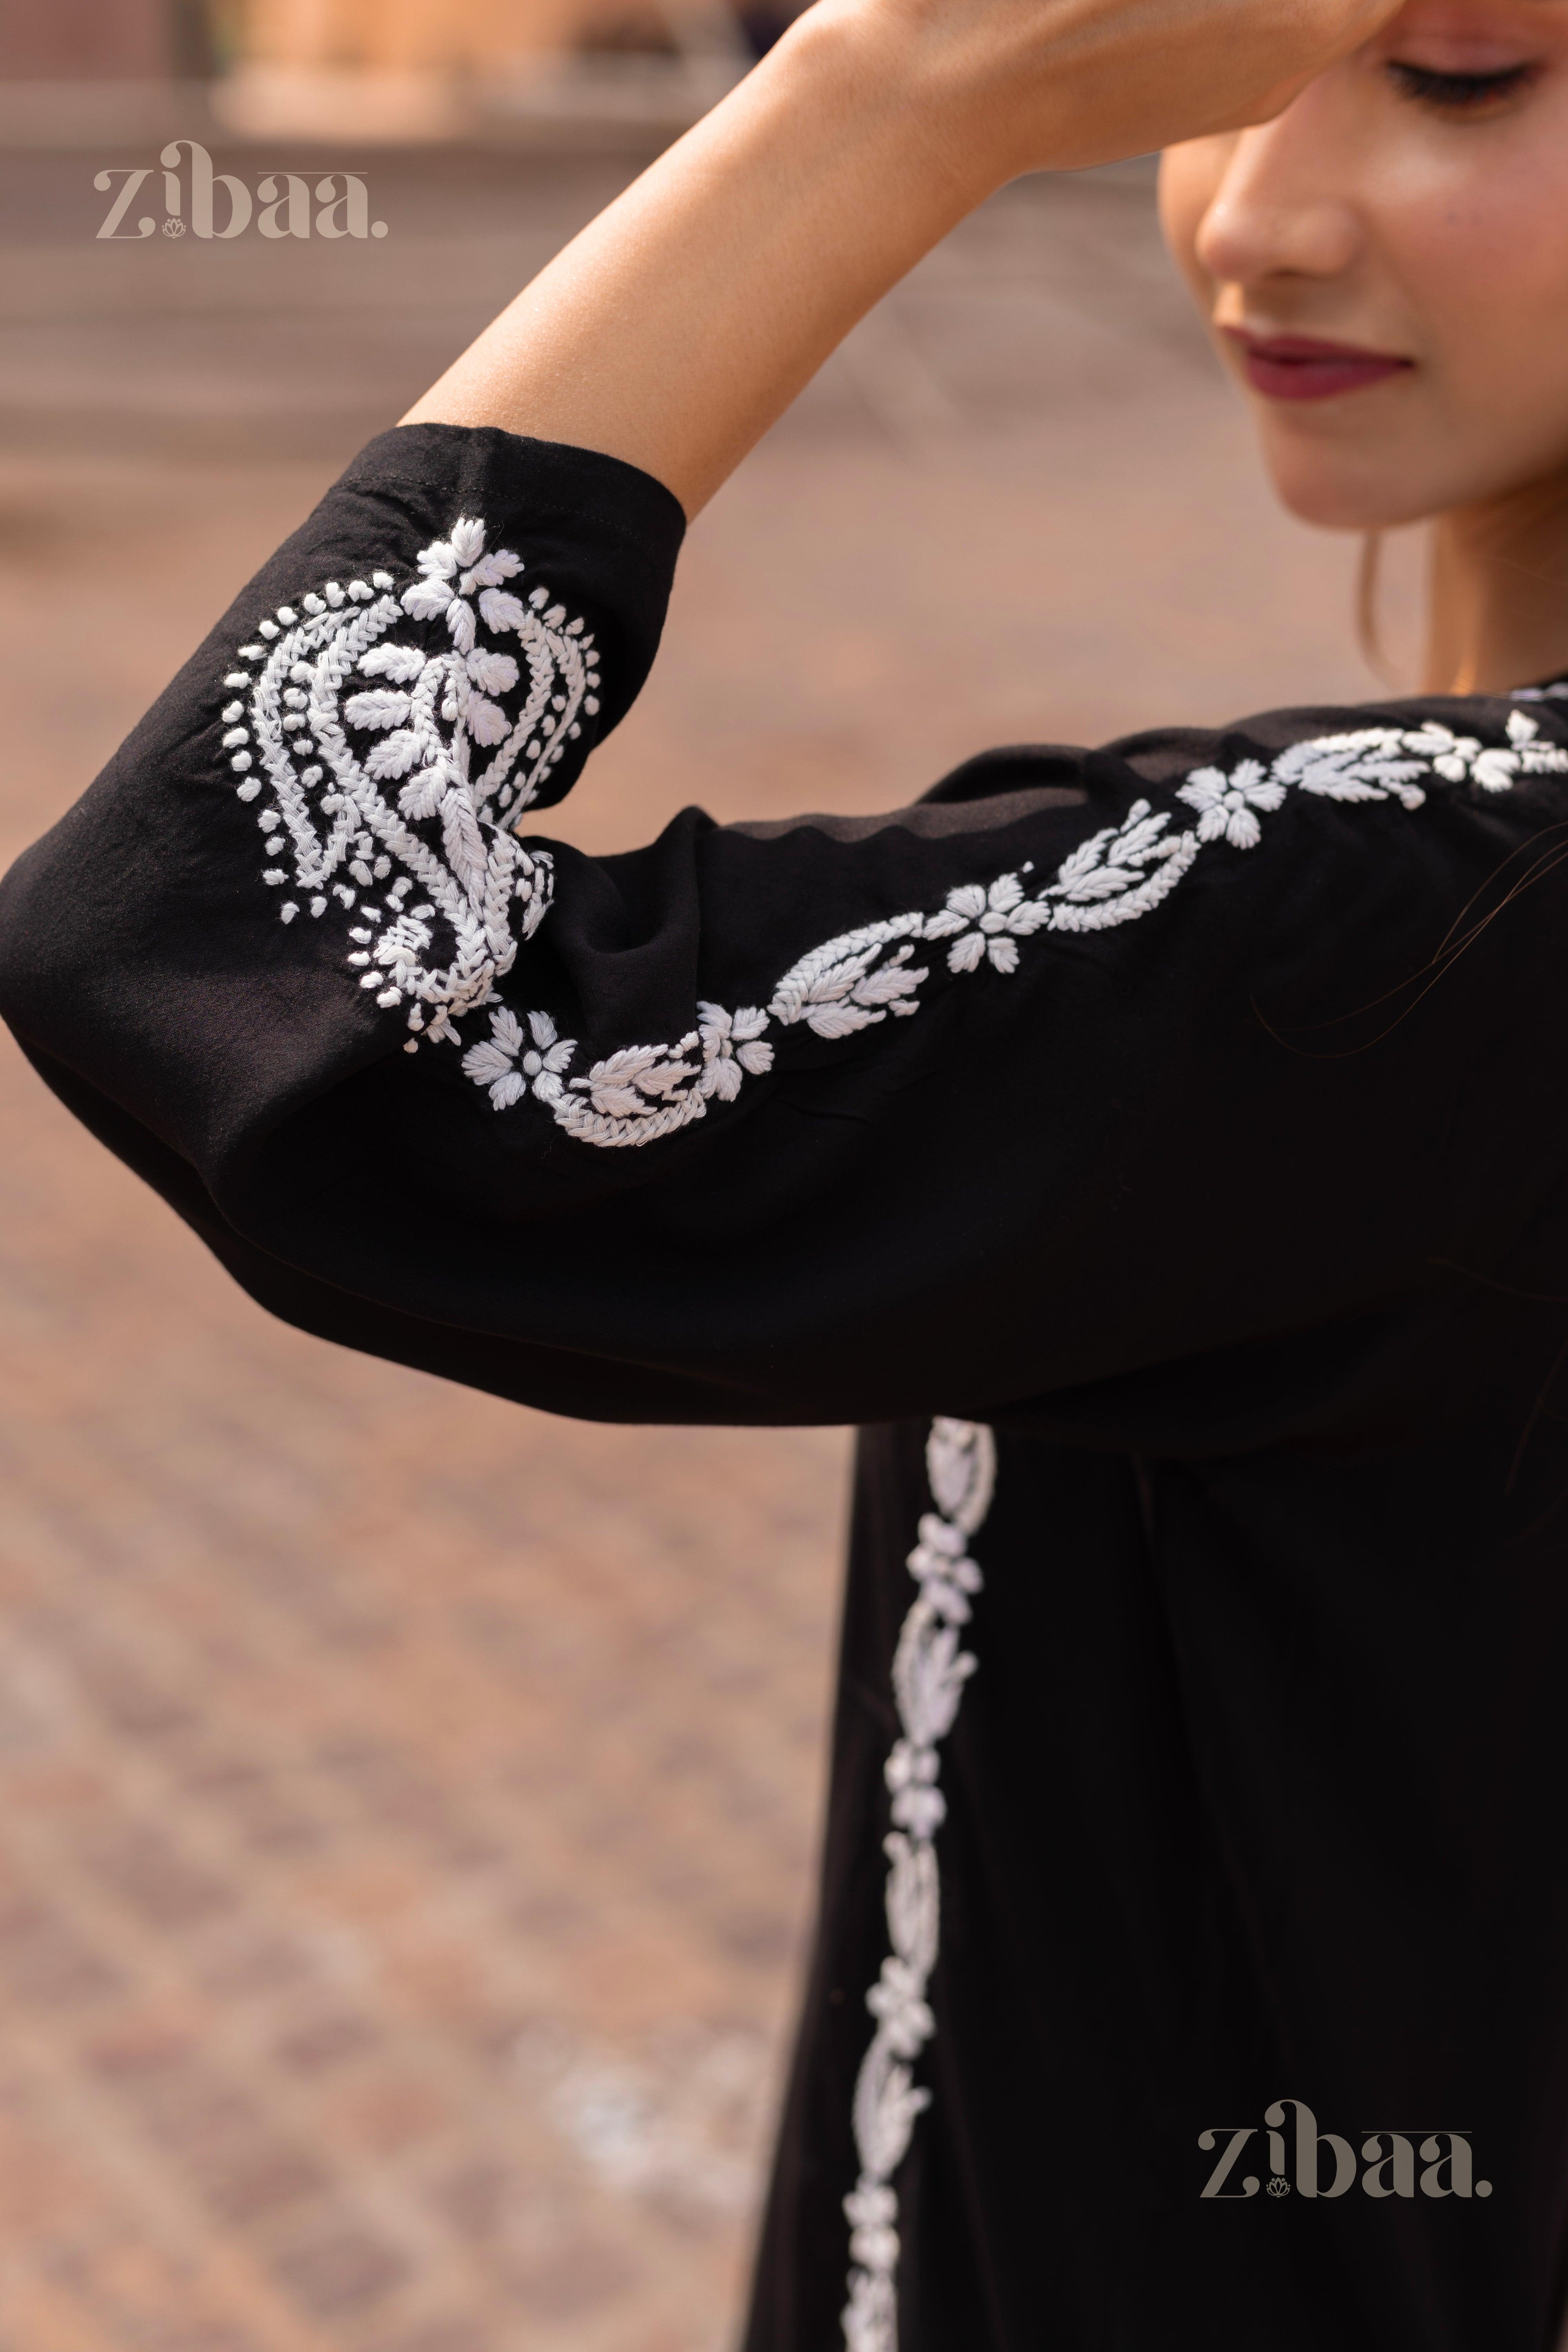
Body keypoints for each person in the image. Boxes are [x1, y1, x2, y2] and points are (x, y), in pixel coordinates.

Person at [7, 0, 1568, 2337]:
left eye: (1455, 69)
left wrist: (886, 95)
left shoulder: (1428, 933)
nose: (1248, 208)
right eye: (1230, 57)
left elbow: (228, 936)